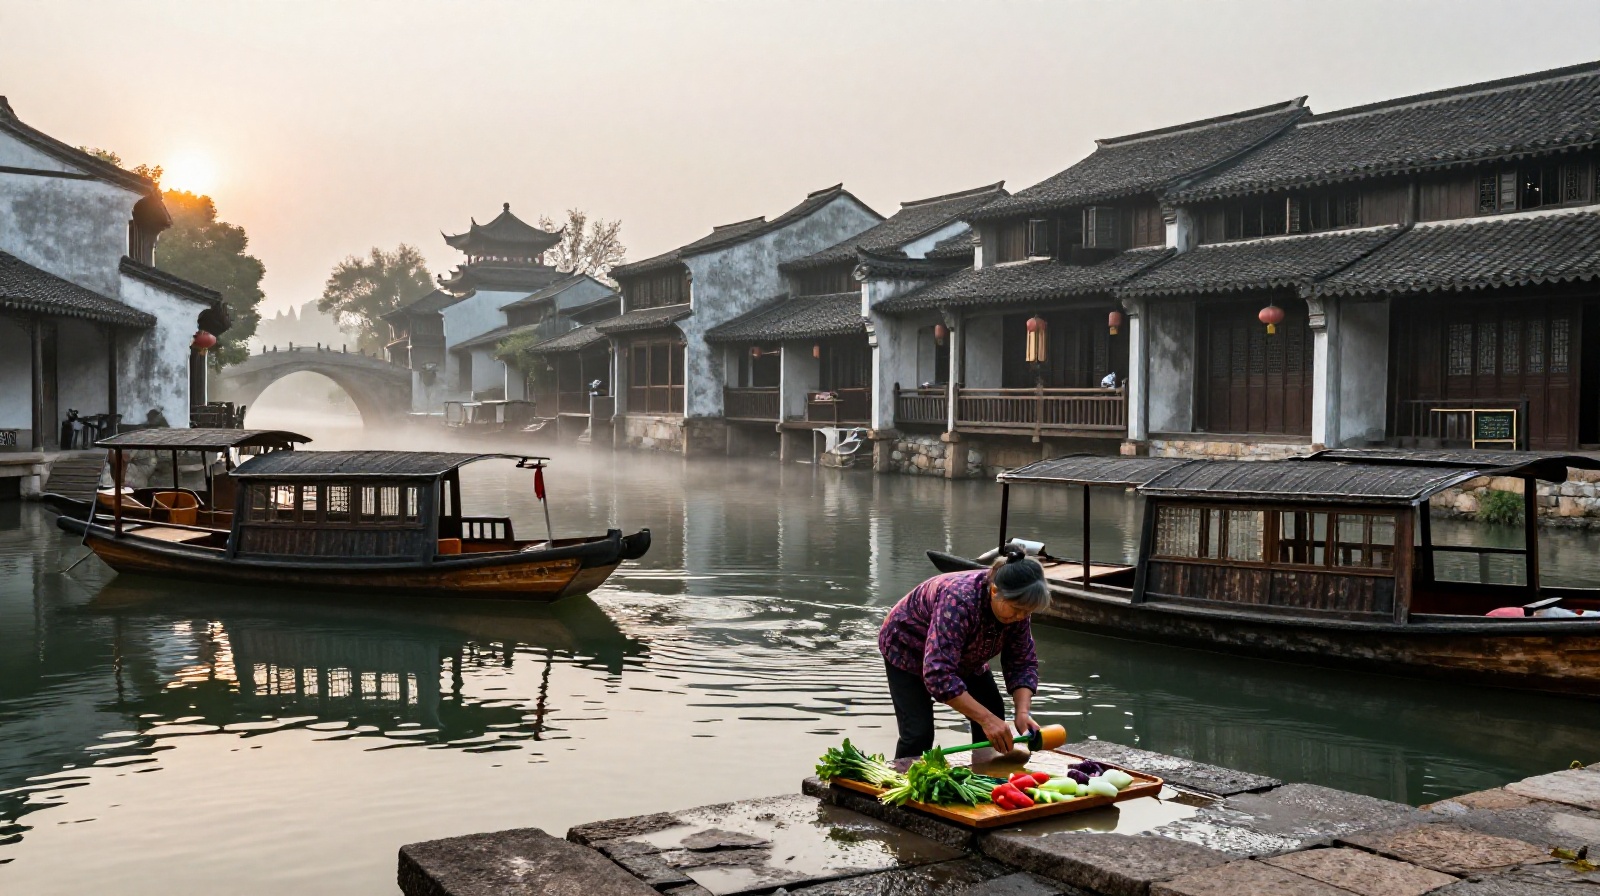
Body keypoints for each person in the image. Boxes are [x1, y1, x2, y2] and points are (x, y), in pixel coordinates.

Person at [878, 546, 1049, 758]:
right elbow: (939, 675)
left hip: (965, 652)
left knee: (994, 711)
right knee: (918, 734)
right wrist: (986, 720)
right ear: (994, 591)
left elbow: (1021, 661)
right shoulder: (959, 600)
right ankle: (902, 776)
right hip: (906, 647)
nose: (1020, 617)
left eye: (1027, 612)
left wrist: (1022, 712)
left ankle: (984, 772)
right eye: (1016, 610)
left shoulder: (1017, 609)